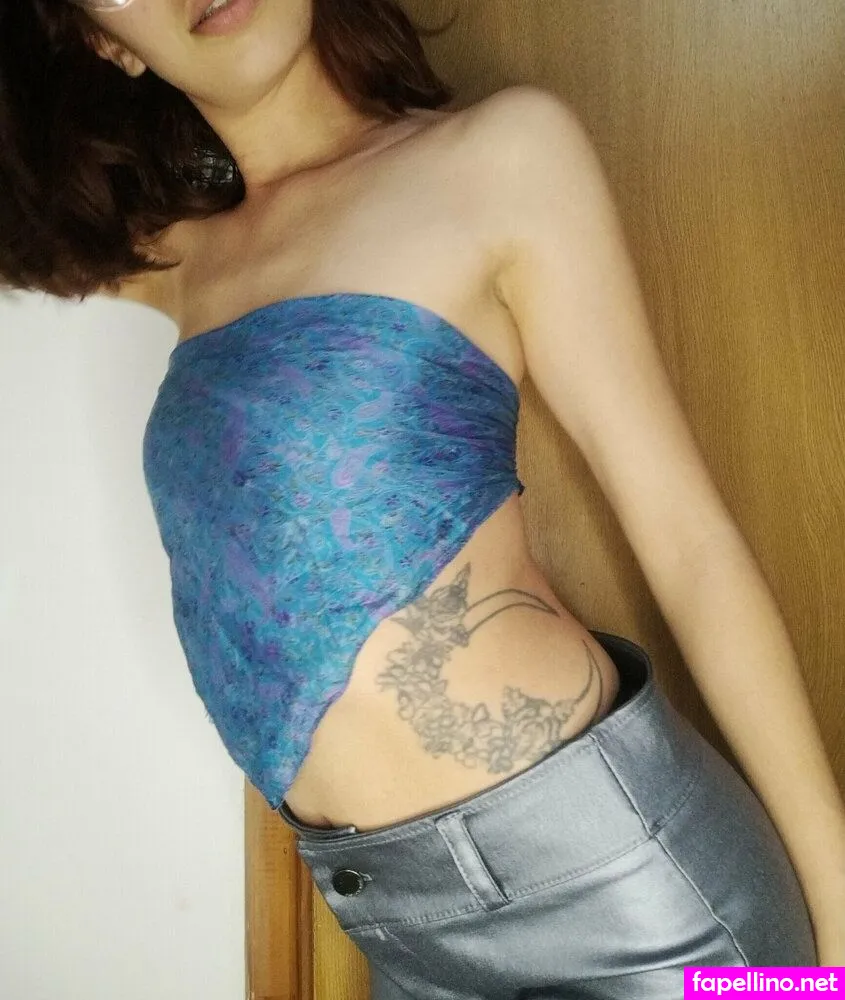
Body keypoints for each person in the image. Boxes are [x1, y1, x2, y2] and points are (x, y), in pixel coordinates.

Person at [4, 0, 844, 992]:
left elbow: (684, 538)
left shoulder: (498, 158)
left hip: (630, 898)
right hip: (398, 930)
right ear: (102, 40)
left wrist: (835, 907)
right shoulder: (181, 262)